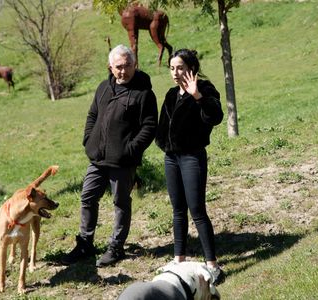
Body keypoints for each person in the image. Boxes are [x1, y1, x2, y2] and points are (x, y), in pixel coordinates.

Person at [61, 45, 158, 267]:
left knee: (121, 202)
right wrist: (89, 141)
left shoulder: (144, 93)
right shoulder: (103, 87)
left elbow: (150, 126)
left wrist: (130, 150)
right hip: (98, 158)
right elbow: (92, 114)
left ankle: (116, 247)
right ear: (110, 67)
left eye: (127, 66)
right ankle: (85, 243)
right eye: (118, 67)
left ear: (135, 65)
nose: (123, 71)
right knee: (87, 197)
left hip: (123, 161)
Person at [155, 49, 225, 283]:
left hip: (192, 157)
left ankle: (212, 265)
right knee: (177, 211)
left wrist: (197, 97)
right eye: (172, 68)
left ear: (191, 68)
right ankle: (179, 261)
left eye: (180, 68)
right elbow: (162, 126)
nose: (175, 73)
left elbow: (215, 117)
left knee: (197, 211)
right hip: (172, 158)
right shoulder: (170, 94)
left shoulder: (204, 89)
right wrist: (164, 144)